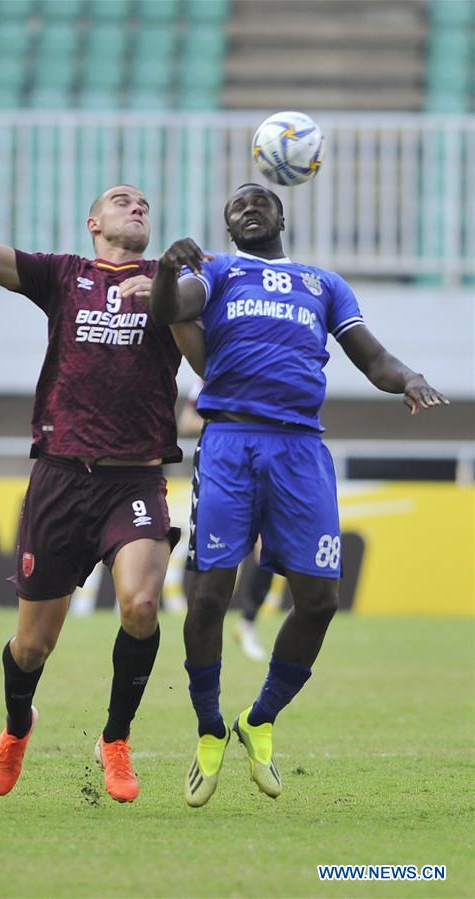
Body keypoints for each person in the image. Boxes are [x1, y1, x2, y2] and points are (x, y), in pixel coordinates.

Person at [0, 135, 203, 805]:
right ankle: (19, 724)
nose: (134, 204)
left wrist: (173, 289)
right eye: (119, 199)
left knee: (139, 604)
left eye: (142, 202)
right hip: (57, 479)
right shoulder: (62, 275)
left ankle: (115, 738)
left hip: (133, 480)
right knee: (31, 647)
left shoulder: (170, 290)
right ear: (94, 223)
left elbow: (205, 356)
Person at [150, 182, 449, 808]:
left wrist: (409, 377)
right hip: (232, 441)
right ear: (228, 228)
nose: (248, 208)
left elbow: (372, 358)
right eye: (236, 205)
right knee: (209, 594)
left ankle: (258, 720)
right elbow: (169, 309)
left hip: (302, 450)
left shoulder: (323, 284)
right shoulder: (218, 270)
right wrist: (170, 267)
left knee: (318, 601)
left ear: (281, 214)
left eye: (260, 201)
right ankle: (209, 727)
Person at [179, 379, 273, 662]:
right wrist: (229, 422)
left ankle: (247, 623)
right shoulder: (211, 376)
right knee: (219, 559)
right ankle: (206, 641)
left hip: (264, 466)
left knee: (267, 548)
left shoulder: (270, 368)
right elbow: (186, 422)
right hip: (222, 471)